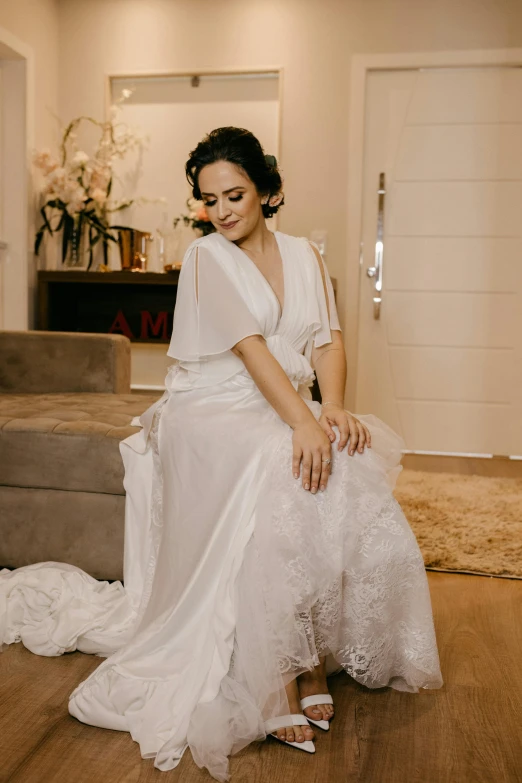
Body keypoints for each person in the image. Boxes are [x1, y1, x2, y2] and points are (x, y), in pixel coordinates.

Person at [0, 127, 443, 782]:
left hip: (279, 401)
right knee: (285, 463)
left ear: (265, 188)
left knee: (349, 458)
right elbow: (251, 350)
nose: (223, 210)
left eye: (234, 194)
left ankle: (309, 650)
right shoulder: (207, 258)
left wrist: (333, 409)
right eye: (210, 200)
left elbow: (328, 343)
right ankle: (278, 679)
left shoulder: (305, 256)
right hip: (209, 408)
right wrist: (303, 424)